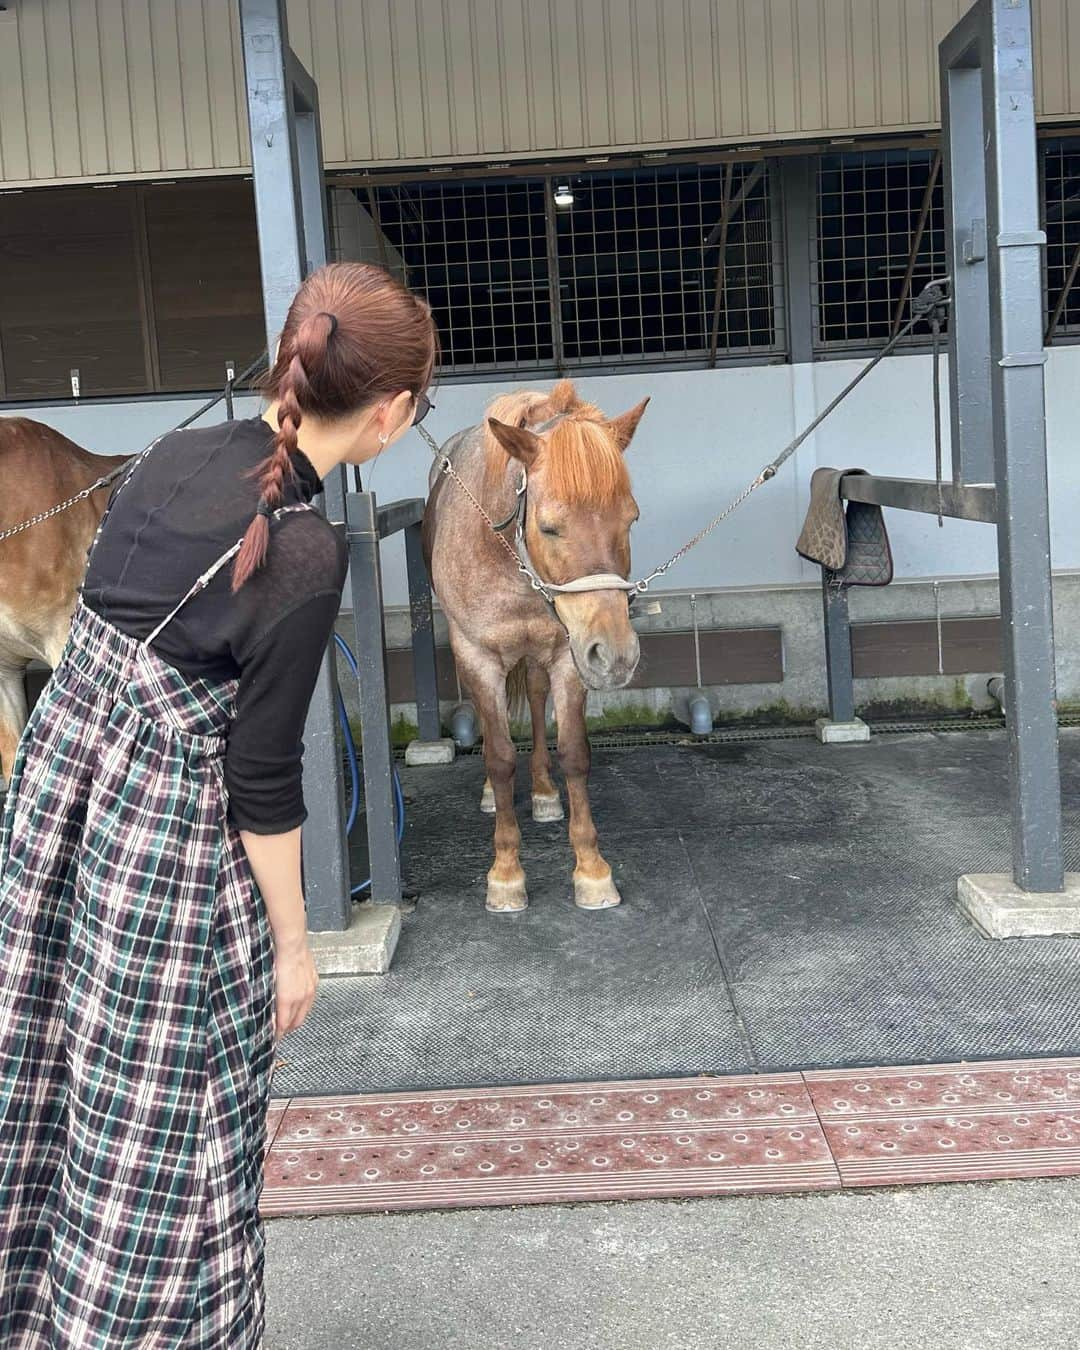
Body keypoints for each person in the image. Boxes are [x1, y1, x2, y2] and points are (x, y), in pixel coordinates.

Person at [0, 262, 437, 1347]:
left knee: (46, 1070)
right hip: (164, 859)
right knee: (163, 1128)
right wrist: (294, 943)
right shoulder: (302, 551)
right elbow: (261, 779)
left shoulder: (169, 457)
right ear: (390, 414)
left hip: (62, 814)